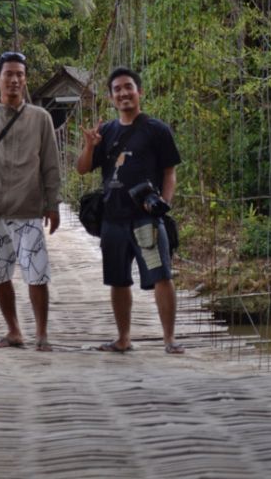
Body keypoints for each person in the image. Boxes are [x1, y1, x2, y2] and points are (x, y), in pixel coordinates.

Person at [77, 66, 185, 355]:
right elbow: (82, 169)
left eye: (128, 87)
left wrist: (163, 205)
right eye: (117, 89)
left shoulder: (156, 130)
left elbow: (169, 172)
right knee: (118, 279)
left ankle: (169, 339)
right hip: (113, 219)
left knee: (161, 275)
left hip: (144, 220)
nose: (123, 93)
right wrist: (89, 146)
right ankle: (123, 339)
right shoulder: (107, 131)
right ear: (112, 98)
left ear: (139, 92)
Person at [0, 51, 61, 351]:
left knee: (37, 273)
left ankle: (42, 334)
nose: (15, 80)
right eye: (8, 74)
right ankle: (14, 331)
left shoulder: (41, 119)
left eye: (20, 74)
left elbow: (50, 165)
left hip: (28, 209)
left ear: (25, 79)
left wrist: (53, 203)